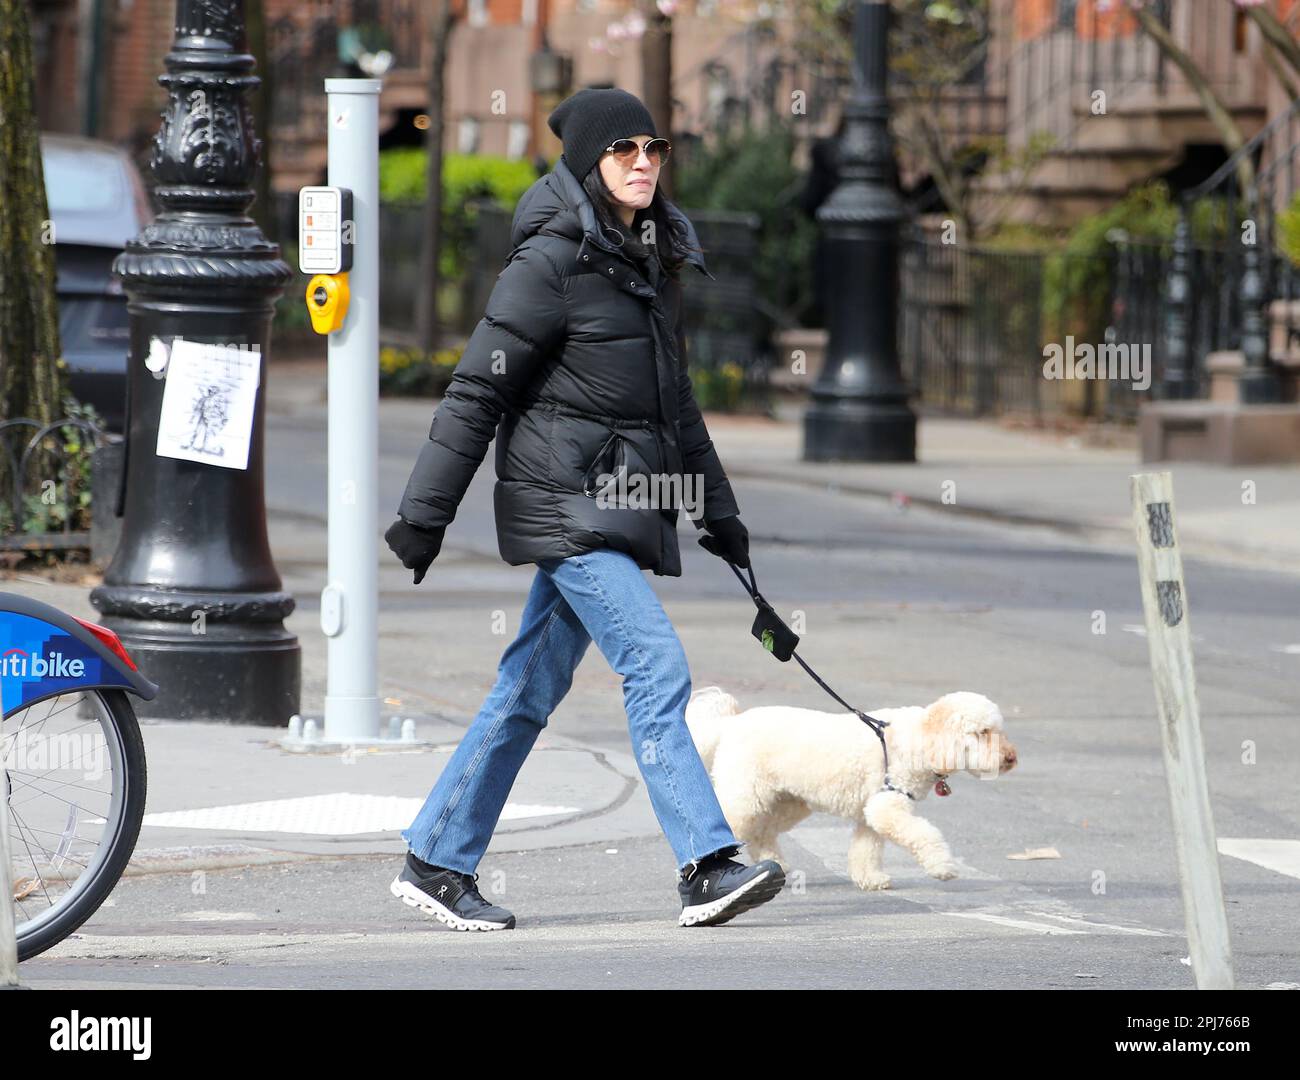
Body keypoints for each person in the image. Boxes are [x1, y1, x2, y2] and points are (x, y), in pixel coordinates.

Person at [384, 87, 784, 931]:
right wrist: (426, 511)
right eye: (624, 150)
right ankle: (707, 863)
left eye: (655, 148)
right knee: (655, 663)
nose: (644, 163)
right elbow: (475, 388)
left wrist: (721, 514)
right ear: (588, 163)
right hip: (566, 503)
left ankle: (436, 858)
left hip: (618, 503)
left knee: (528, 686)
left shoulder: (647, 258)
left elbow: (675, 410)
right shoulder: (554, 260)